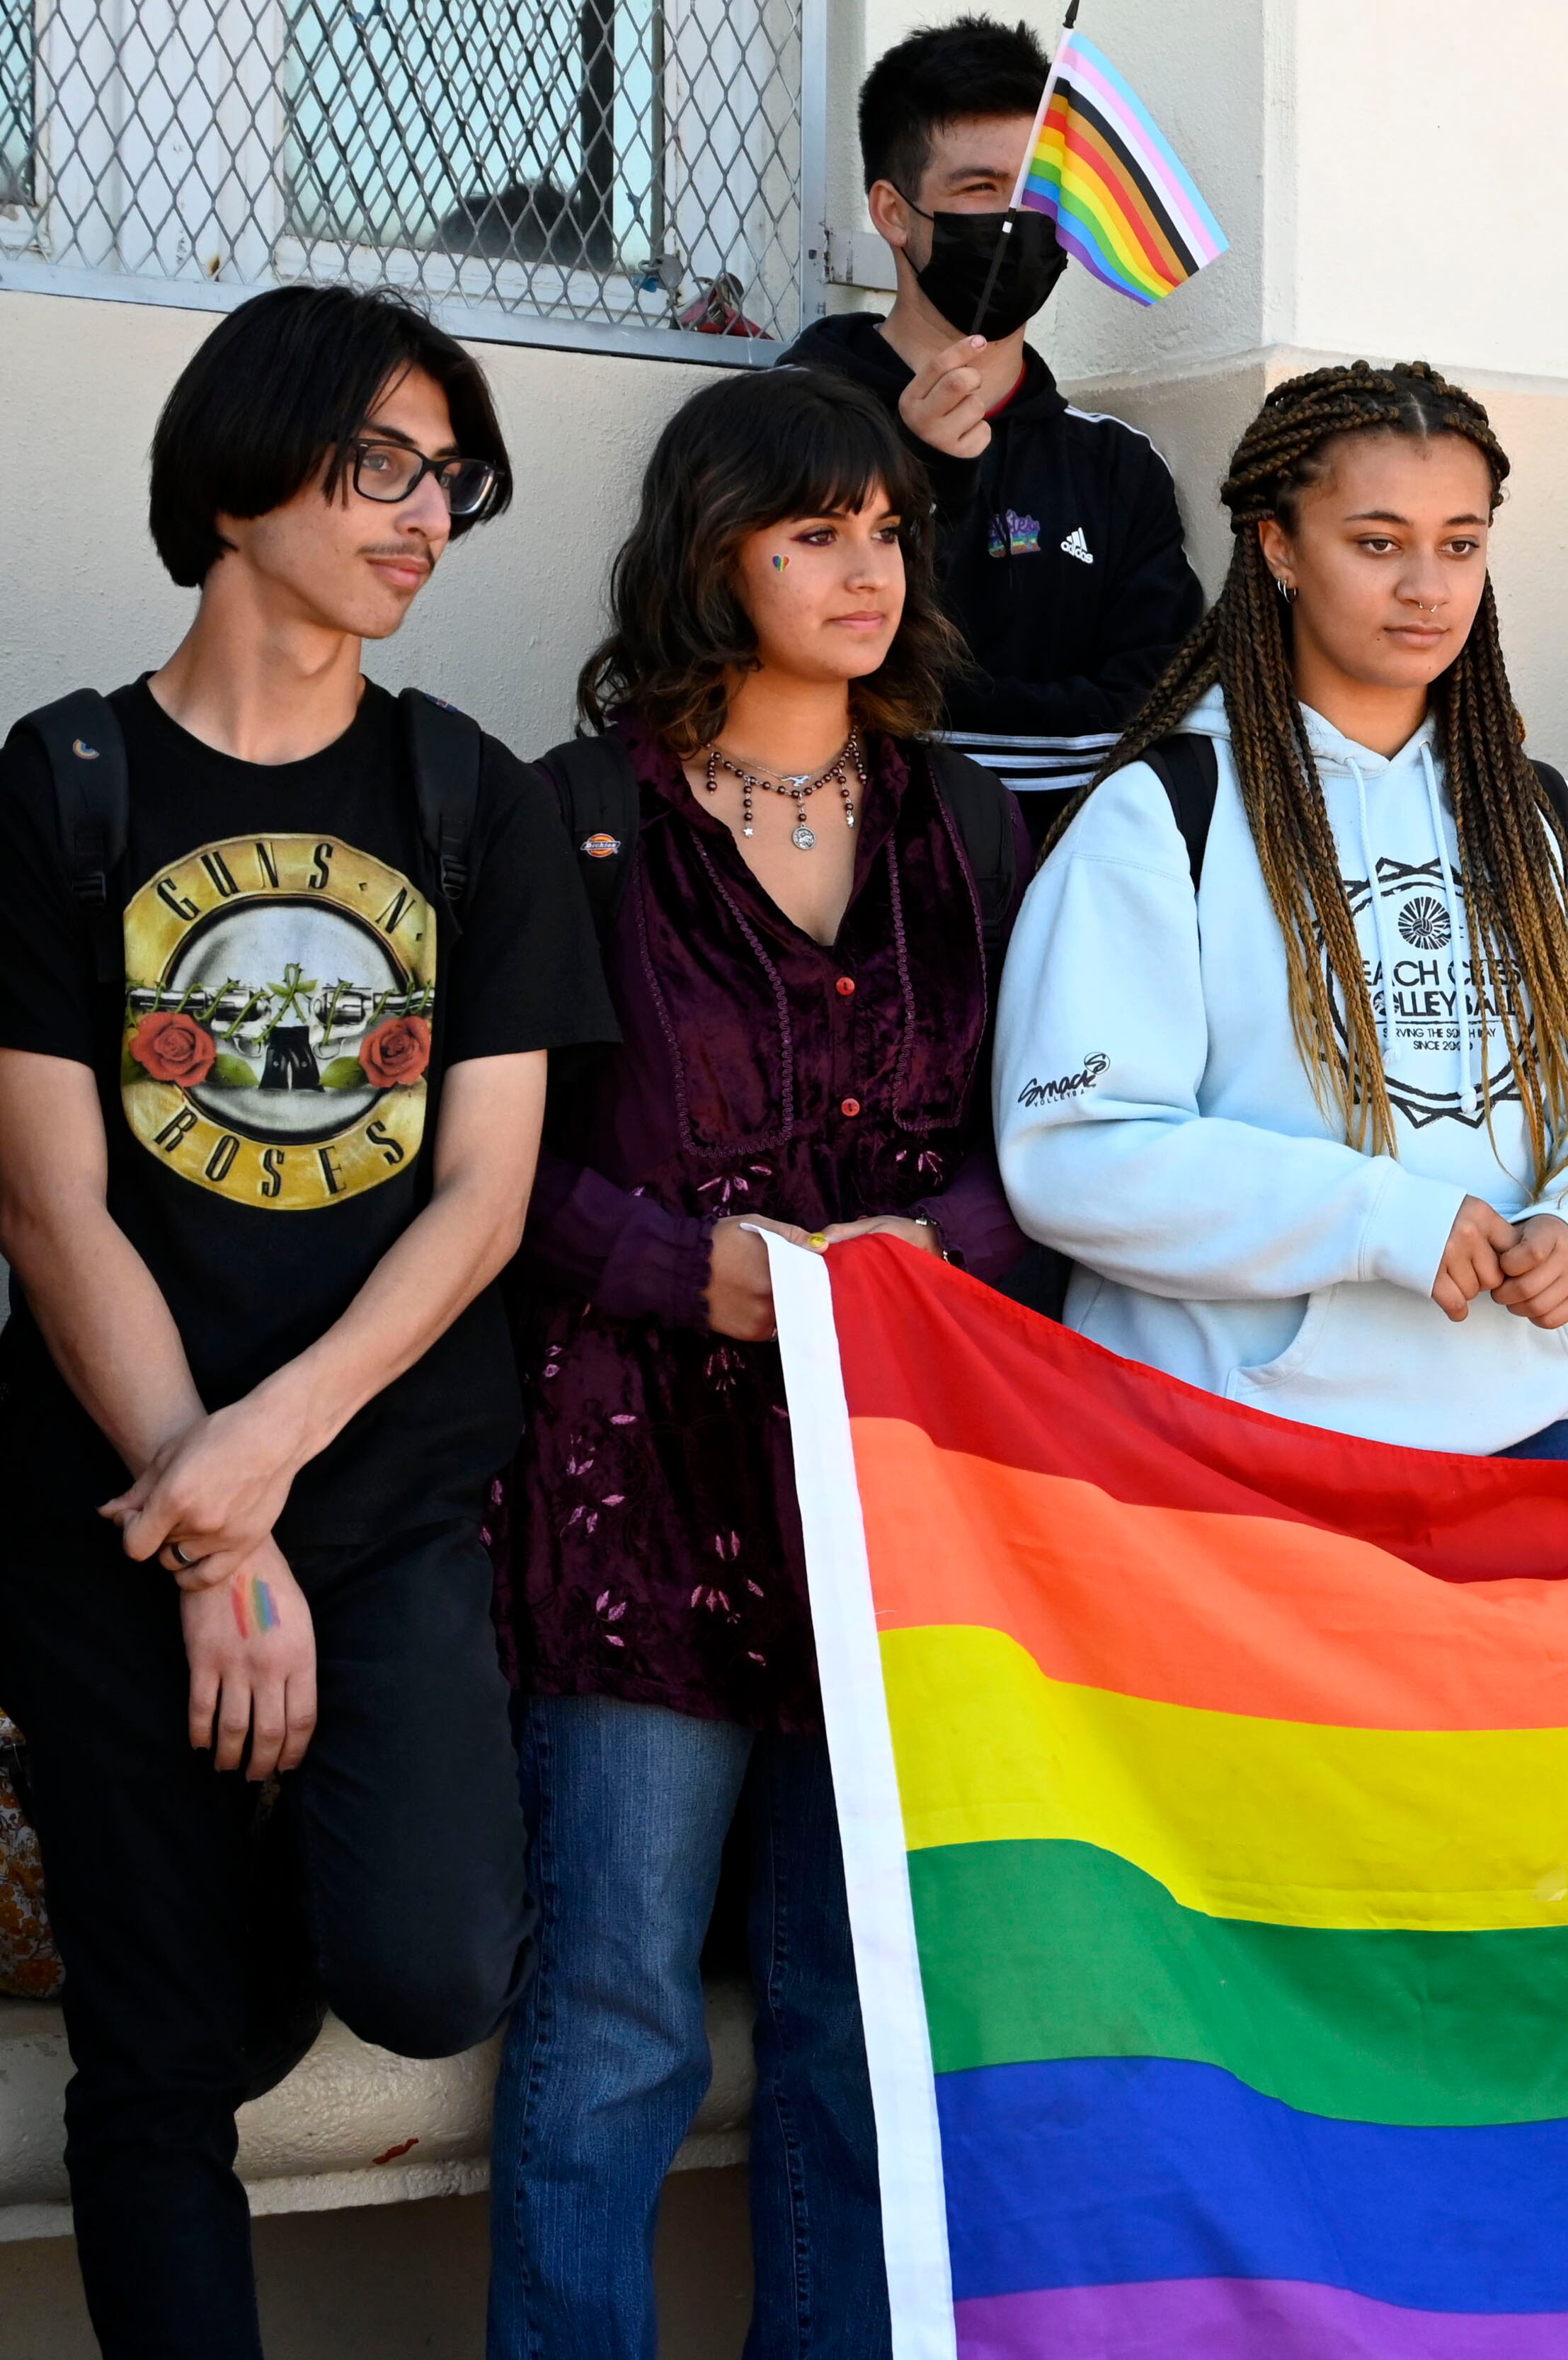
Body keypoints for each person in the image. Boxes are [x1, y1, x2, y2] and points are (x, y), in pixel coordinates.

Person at [0, 285, 613, 2355]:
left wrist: (268, 1462)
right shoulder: (62, 783)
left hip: (378, 1487)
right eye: (380, 462)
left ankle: (240, 1865)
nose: (425, 511)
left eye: (450, 475)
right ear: (243, 466)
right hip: (115, 1508)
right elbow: (47, 1193)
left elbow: (486, 1191)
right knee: (158, 2071)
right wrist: (199, 1513)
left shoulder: (471, 797)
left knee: (436, 1965)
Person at [481, 367, 1030, 2355]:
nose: (864, 566)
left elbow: (1050, 1145)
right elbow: (489, 1162)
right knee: (617, 2014)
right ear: (710, 552)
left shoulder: (967, 818)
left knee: (857, 2018)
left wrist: (935, 1251)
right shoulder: (570, 814)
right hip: (639, 1486)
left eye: (887, 526)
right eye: (814, 530)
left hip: (891, 1486)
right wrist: (680, 1261)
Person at [994, 359, 1568, 1460]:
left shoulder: (1544, 823)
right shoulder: (1163, 820)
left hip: (1519, 1437)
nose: (1428, 587)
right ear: (1279, 547)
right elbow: (1077, 1156)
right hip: (1236, 1445)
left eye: (1462, 543)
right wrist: (1383, 1222)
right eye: (1378, 543)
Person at [779, 12, 1204, 840]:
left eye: (1036, 194)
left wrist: (933, 736)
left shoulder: (1116, 464)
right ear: (893, 213)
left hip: (1068, 899)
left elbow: (1161, 706)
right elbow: (782, 684)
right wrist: (914, 471)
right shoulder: (777, 424)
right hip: (849, 899)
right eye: (981, 191)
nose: (1016, 224)